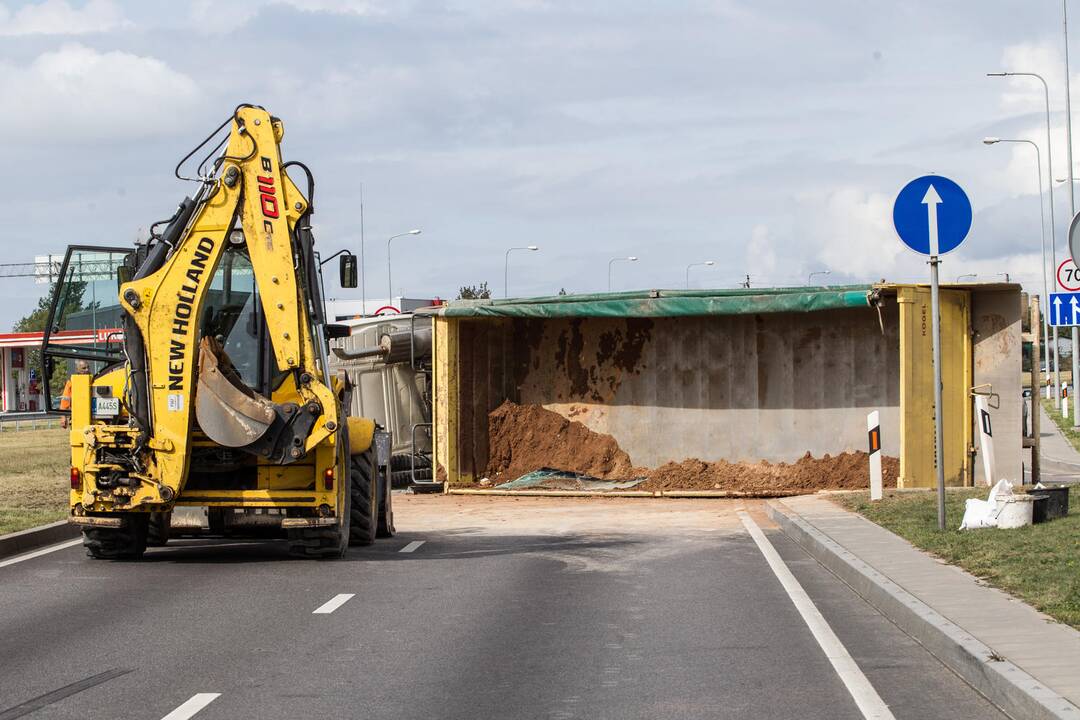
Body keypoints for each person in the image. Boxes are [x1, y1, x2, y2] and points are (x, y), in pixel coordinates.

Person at [59, 360, 90, 429]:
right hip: (77, 416)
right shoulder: (71, 382)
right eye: (84, 368)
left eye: (88, 367)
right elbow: (65, 400)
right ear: (77, 370)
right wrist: (63, 417)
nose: (87, 370)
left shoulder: (93, 380)